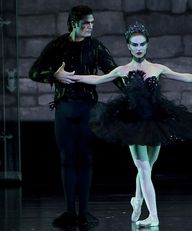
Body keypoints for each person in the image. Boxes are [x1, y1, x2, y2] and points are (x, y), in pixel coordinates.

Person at [72, 22, 192, 228]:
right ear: (129, 47)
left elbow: (182, 76)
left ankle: (138, 200)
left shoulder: (156, 68)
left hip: (155, 121)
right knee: (143, 168)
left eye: (142, 44)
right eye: (134, 44)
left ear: (147, 45)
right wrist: (73, 77)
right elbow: (97, 79)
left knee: (147, 169)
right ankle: (153, 216)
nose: (139, 48)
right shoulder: (122, 70)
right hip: (133, 123)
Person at [28, 5, 123, 228]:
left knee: (86, 159)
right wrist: (54, 75)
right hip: (64, 108)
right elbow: (34, 72)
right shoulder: (57, 45)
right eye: (86, 23)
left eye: (92, 22)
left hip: (88, 109)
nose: (90, 26)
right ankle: (70, 210)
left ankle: (85, 211)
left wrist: (133, 93)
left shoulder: (96, 47)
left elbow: (114, 72)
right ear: (74, 23)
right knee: (67, 159)